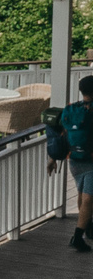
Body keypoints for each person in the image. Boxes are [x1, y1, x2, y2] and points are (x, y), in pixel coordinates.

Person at [63, 76, 93, 253]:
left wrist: (53, 158)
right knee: (89, 197)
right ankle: (78, 236)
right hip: (90, 160)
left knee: (82, 192)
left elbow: (62, 132)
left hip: (74, 159)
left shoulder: (71, 108)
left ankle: (87, 226)